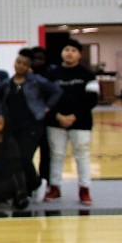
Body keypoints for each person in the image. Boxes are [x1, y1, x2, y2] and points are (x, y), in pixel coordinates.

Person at [0, 54, 62, 195]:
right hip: (12, 125)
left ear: (28, 67)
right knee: (14, 158)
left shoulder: (36, 81)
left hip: (32, 124)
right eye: (18, 62)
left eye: (24, 64)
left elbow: (57, 90)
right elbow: (1, 103)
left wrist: (47, 107)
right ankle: (24, 187)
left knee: (24, 157)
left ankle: (37, 183)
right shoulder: (7, 83)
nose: (20, 65)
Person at [45, 39, 99, 205]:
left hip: (81, 123)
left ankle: (84, 189)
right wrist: (58, 116)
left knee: (81, 155)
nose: (69, 53)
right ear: (62, 53)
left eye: (73, 50)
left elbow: (92, 99)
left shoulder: (88, 75)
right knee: (57, 154)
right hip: (56, 122)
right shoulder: (52, 74)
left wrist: (74, 116)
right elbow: (46, 97)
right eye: (66, 49)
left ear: (79, 54)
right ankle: (55, 188)